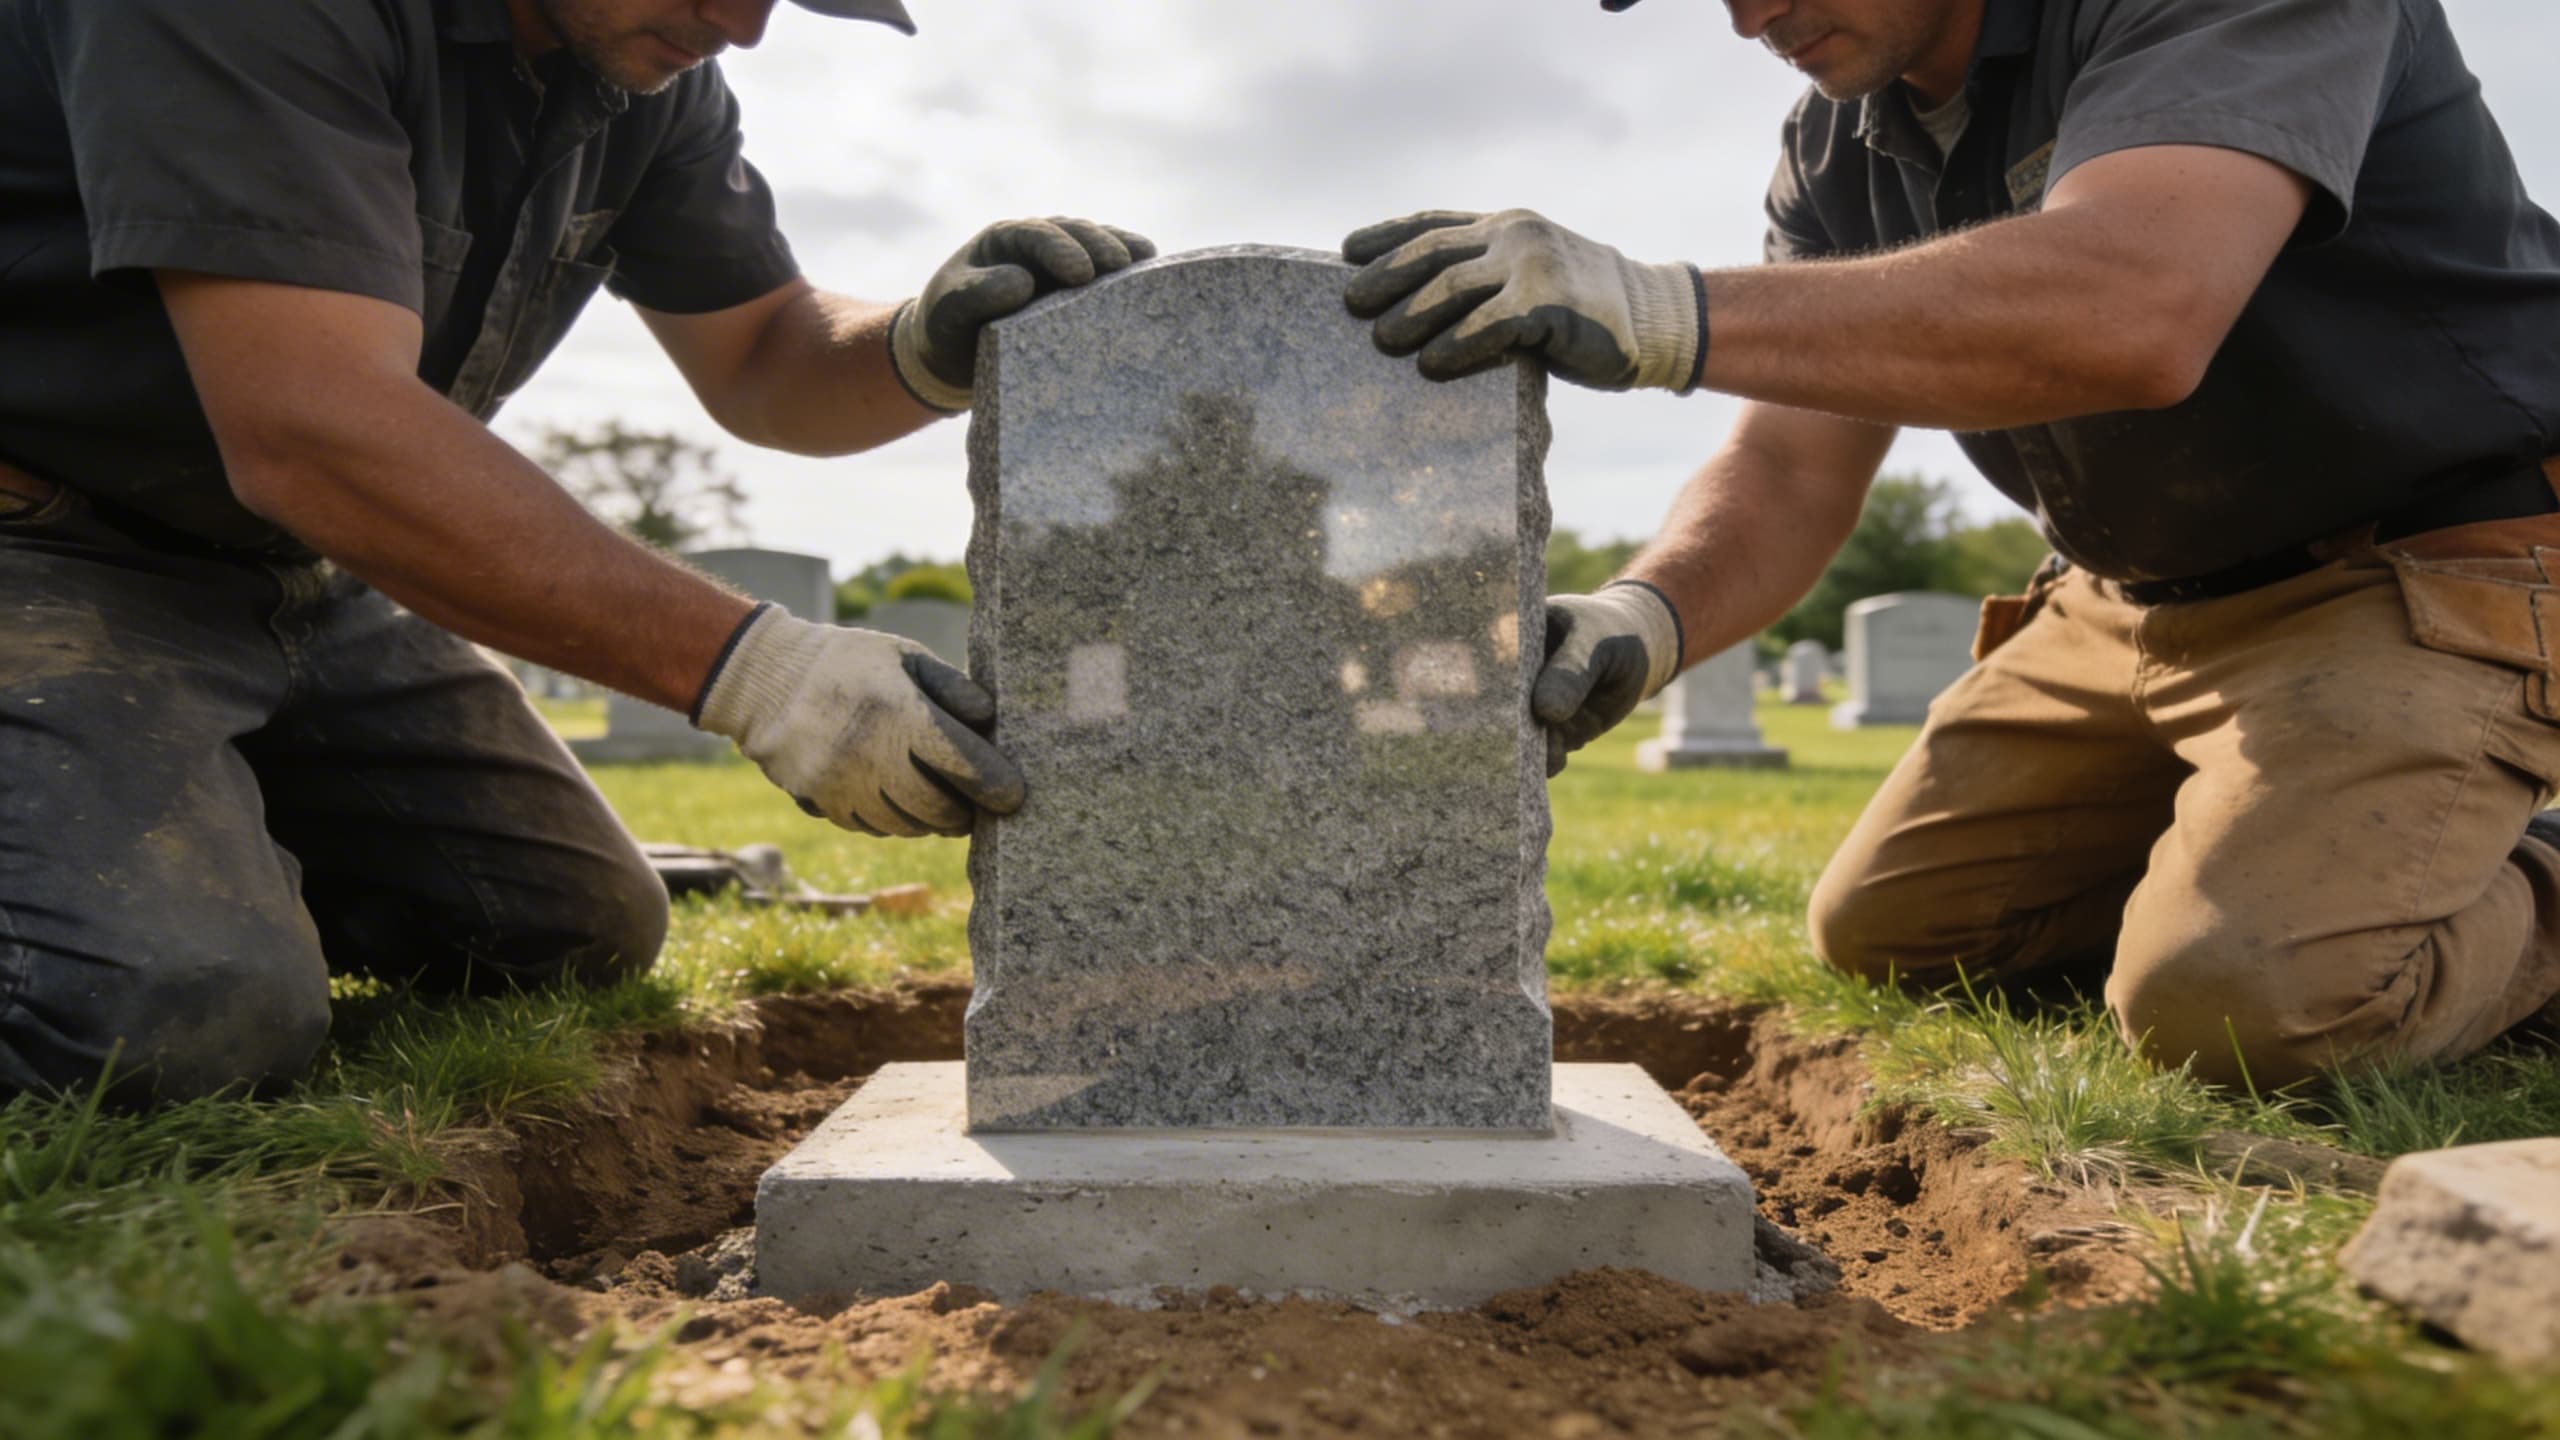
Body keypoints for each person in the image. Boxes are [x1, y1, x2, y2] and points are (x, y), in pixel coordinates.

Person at [1344, 0, 2560, 1086]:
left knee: (2251, 1014)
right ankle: (2294, 867)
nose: (1744, 17)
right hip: (2124, 596)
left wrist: (1658, 307)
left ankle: (2483, 887)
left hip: (2415, 562)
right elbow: (1787, 463)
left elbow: (2138, 306)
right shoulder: (1836, 141)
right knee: (1897, 936)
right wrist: (1642, 618)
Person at [0, 0, 1149, 1101]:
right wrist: (767, 677)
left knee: (565, 928)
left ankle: (154, 836)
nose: (741, 23)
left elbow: (763, 353)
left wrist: (917, 343)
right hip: (46, 542)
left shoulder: (640, 74)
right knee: (153, 1020)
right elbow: (310, 428)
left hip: (294, 568)